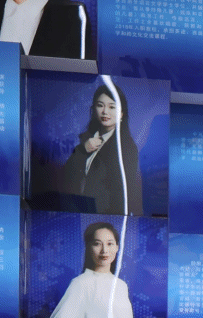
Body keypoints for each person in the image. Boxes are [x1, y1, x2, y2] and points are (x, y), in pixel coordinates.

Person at [56, 79, 145, 216]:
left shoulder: (126, 148)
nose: (105, 112)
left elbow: (122, 193)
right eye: (100, 105)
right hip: (76, 212)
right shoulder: (86, 140)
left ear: (121, 114)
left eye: (112, 107)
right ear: (94, 109)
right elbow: (66, 176)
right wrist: (83, 150)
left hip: (103, 217)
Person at [47, 222, 135, 318]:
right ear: (88, 247)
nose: (104, 250)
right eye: (97, 244)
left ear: (117, 247)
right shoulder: (81, 283)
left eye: (110, 244)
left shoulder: (121, 285)